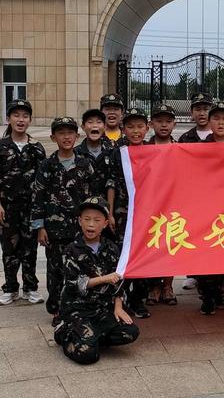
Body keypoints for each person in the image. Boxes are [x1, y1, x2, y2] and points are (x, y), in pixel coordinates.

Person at [54, 196, 139, 364]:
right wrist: (103, 279)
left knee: (130, 331)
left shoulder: (112, 248)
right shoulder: (72, 250)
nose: (91, 224)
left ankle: (89, 337)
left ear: (106, 223)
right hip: (78, 310)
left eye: (96, 220)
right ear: (80, 221)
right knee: (88, 356)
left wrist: (118, 306)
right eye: (86, 219)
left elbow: (119, 282)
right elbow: (74, 284)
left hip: (102, 309)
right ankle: (65, 332)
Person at [31, 117, 94, 325]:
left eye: (70, 133)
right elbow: (38, 197)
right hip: (54, 230)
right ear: (53, 137)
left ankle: (78, 306)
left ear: (77, 136)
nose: (66, 137)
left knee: (80, 268)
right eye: (61, 133)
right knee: (55, 270)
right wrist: (39, 227)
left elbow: (92, 197)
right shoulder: (47, 166)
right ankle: (57, 308)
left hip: (79, 230)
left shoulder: (85, 164)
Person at [197, 102, 224, 315]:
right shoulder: (197, 148)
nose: (220, 123)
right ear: (209, 121)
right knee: (207, 253)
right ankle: (207, 296)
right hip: (206, 209)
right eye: (216, 119)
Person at [0, 100, 46, 305]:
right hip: (7, 208)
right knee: (9, 249)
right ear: (8, 119)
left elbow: (43, 181)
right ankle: (10, 288)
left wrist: (41, 210)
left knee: (30, 248)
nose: (21, 120)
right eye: (16, 115)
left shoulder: (36, 148)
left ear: (29, 120)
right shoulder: (2, 146)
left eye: (25, 116)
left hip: (30, 208)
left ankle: (30, 287)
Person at [107, 108, 151, 318]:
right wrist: (110, 213)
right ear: (124, 129)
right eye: (131, 127)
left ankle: (138, 299)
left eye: (140, 126)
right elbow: (112, 183)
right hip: (124, 212)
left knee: (144, 254)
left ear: (147, 128)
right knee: (122, 256)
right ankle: (120, 298)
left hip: (149, 213)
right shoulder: (118, 152)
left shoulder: (154, 152)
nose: (136, 131)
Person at [178, 93, 213, 291]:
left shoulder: (219, 136)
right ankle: (193, 273)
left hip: (215, 197)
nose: (202, 113)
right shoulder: (185, 138)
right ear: (191, 113)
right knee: (193, 235)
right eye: (198, 109)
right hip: (193, 197)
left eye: (206, 109)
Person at [146, 104, 177, 306]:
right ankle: (153, 286)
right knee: (153, 245)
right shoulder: (143, 149)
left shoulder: (181, 147)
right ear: (151, 124)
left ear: (174, 124)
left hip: (174, 204)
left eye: (167, 121)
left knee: (171, 244)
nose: (164, 125)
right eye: (159, 121)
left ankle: (167, 285)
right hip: (150, 205)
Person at [74, 109, 114, 198]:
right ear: (83, 127)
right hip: (83, 207)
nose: (95, 125)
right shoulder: (75, 154)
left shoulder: (113, 152)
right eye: (90, 122)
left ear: (105, 127)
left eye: (99, 122)